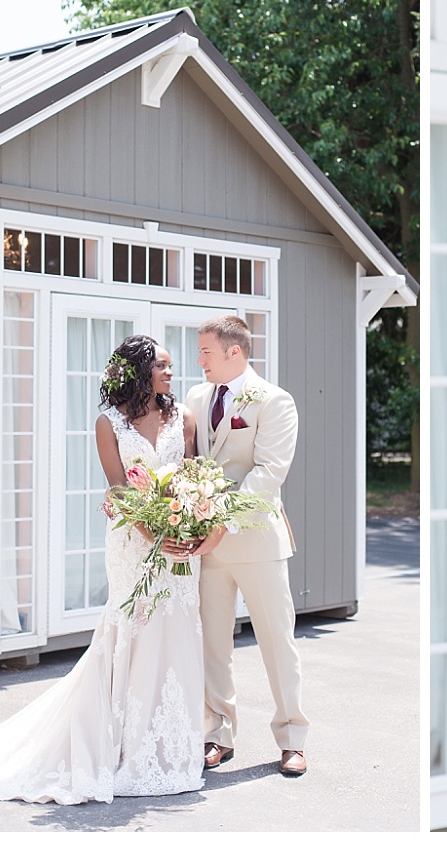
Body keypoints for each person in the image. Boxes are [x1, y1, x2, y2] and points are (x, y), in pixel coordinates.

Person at [0, 335, 204, 804]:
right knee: (134, 631)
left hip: (176, 547)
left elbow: (190, 479)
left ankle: (172, 747)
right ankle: (125, 746)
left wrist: (186, 528)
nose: (172, 373)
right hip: (132, 544)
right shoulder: (108, 423)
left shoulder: (183, 418)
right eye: (163, 366)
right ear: (139, 371)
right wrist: (152, 533)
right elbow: (118, 489)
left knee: (176, 633)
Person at [180, 315, 309, 777]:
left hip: (256, 541)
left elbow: (268, 475)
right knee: (213, 645)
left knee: (277, 642)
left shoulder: (275, 401)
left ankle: (292, 737)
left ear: (235, 352)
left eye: (205, 352)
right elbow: (190, 464)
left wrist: (220, 522)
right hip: (207, 548)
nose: (198, 361)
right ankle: (218, 735)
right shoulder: (196, 398)